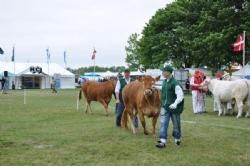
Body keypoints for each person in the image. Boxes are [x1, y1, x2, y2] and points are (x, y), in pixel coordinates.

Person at [156, 65, 184, 148]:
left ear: (168, 72)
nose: (162, 73)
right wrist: (155, 87)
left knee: (176, 124)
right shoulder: (165, 81)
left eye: (164, 72)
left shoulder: (176, 83)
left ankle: (177, 139)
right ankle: (162, 141)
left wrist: (175, 104)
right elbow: (164, 88)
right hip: (165, 106)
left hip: (174, 108)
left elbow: (180, 96)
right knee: (163, 123)